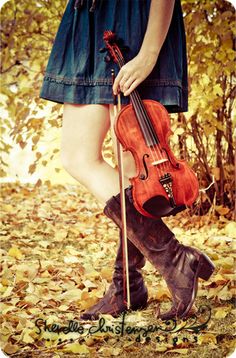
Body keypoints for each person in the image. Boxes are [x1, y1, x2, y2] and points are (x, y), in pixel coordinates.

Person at [40, 0, 215, 321]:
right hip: (87, 22)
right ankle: (165, 264)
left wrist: (148, 55)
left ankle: (129, 285)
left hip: (133, 23)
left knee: (133, 166)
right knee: (79, 156)